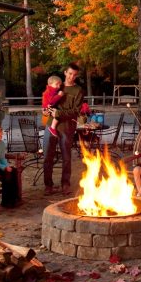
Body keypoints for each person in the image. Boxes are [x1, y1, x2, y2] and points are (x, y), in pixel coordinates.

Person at [43, 63, 84, 196]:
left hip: (67, 127)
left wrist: (58, 114)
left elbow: (76, 111)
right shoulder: (56, 85)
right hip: (51, 125)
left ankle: (65, 185)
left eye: (74, 75)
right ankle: (48, 185)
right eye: (70, 73)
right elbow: (47, 99)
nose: (72, 77)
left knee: (66, 157)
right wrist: (45, 110)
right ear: (65, 72)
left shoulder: (78, 90)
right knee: (47, 156)